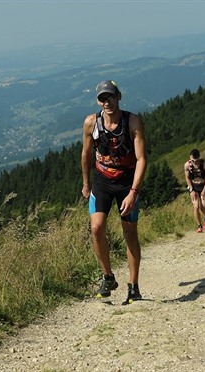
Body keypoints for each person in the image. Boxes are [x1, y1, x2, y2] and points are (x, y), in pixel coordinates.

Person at [81, 80, 147, 304]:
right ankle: (108, 276)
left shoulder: (133, 121)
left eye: (110, 96)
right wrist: (86, 183)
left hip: (127, 182)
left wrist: (133, 192)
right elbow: (86, 154)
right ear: (97, 101)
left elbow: (141, 159)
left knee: (130, 233)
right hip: (102, 181)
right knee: (96, 227)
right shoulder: (91, 123)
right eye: (102, 98)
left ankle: (133, 286)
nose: (107, 102)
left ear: (119, 96)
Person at [183, 149, 205, 233]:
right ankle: (199, 226)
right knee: (196, 206)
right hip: (193, 186)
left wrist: (204, 190)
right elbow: (187, 178)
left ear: (199, 158)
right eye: (192, 161)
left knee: (203, 208)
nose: (194, 163)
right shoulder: (187, 165)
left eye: (196, 161)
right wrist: (191, 190)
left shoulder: (204, 164)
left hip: (203, 185)